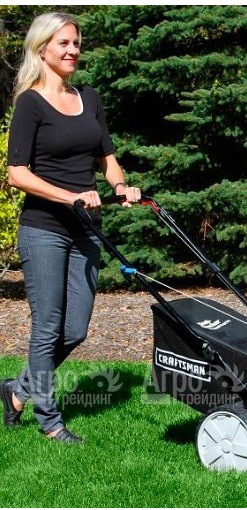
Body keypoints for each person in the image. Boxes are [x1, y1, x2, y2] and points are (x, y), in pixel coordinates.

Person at [0, 12, 141, 444]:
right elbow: (17, 174)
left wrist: (120, 186)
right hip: (44, 228)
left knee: (75, 329)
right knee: (47, 327)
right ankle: (50, 422)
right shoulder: (30, 103)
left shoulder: (89, 98)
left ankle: (16, 392)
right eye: (63, 43)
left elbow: (107, 157)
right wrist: (70, 196)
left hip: (85, 229)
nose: (72, 50)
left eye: (76, 43)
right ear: (42, 48)